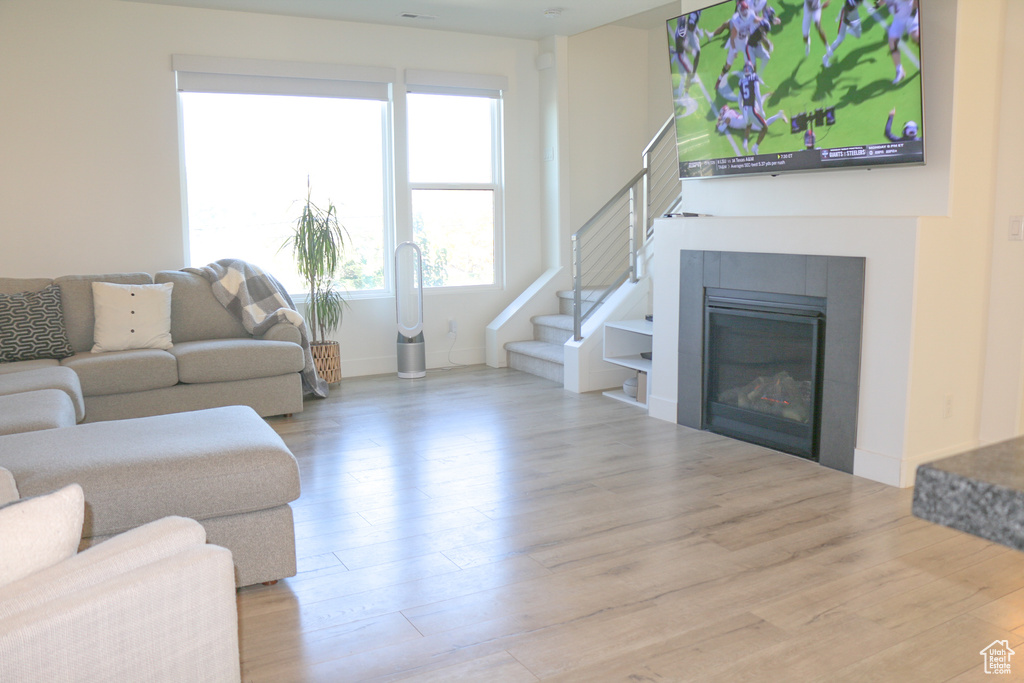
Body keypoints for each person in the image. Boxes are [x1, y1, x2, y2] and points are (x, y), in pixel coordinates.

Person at [714, 2, 762, 93]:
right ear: (739, 11)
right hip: (735, 43)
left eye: (746, 11)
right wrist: (735, 50)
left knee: (751, 63)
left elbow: (758, 19)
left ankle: (755, 80)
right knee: (728, 65)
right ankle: (719, 80)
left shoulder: (751, 14)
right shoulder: (736, 20)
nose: (745, 13)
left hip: (744, 43)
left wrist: (768, 19)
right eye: (743, 11)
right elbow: (732, 38)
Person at [876, 0, 919, 84]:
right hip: (899, 20)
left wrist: (913, 14)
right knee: (892, 42)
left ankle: (929, 56)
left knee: (916, 36)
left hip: (911, 15)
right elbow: (881, 2)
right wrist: (876, 5)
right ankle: (899, 70)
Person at [738, 61, 770, 153]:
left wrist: (742, 111)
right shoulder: (754, 77)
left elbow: (739, 100)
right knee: (765, 128)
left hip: (745, 109)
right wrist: (762, 110)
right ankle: (755, 147)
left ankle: (745, 142)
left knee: (748, 124)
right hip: (751, 109)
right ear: (752, 69)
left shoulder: (741, 81)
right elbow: (758, 95)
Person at [823, 0, 864, 68]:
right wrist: (851, 24)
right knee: (840, 39)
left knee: (858, 35)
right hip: (846, 14)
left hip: (854, 13)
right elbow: (845, 19)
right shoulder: (850, 3)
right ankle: (825, 57)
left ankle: (848, 30)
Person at [717, 103, 788, 133]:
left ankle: (779, 115)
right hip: (744, 119)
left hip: (745, 122)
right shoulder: (731, 111)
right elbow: (731, 119)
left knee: (764, 125)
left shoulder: (726, 116)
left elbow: (722, 129)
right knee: (763, 125)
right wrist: (721, 120)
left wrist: (718, 124)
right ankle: (779, 115)